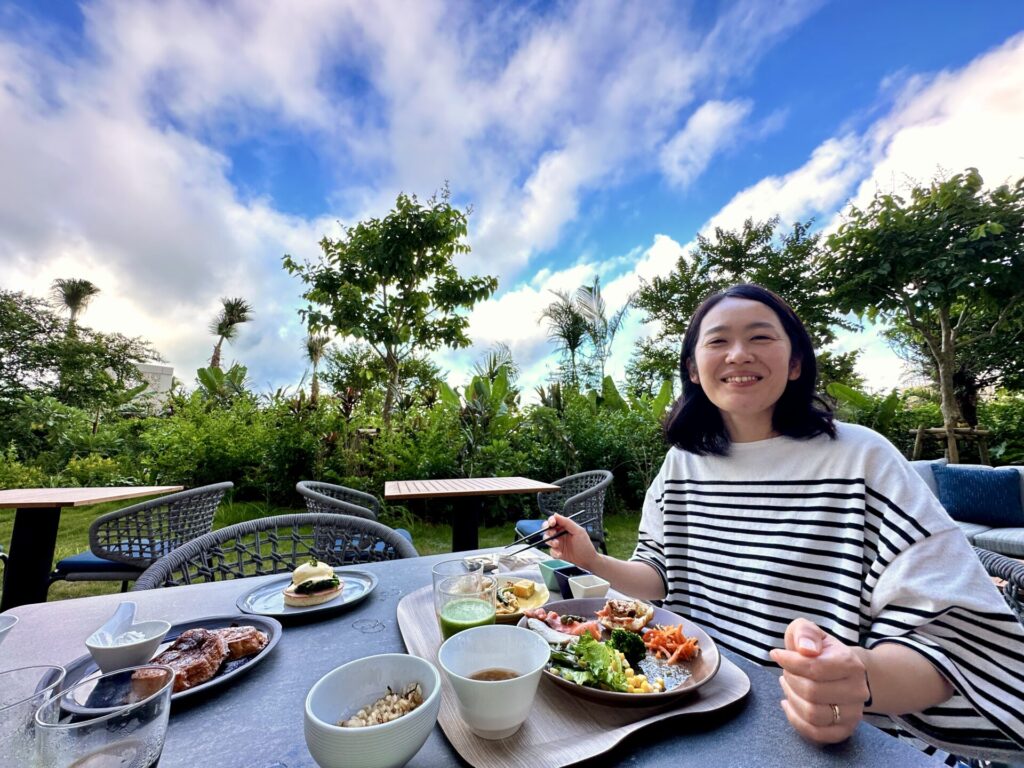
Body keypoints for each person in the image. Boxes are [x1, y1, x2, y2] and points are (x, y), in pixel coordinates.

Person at [544, 284, 1024, 763]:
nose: (738, 354)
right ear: (693, 368)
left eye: (760, 337)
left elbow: (952, 636)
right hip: (686, 705)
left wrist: (859, 678)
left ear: (795, 362)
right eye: (717, 341)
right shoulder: (682, 464)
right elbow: (656, 576)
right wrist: (590, 558)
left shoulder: (862, 459)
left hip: (821, 738)